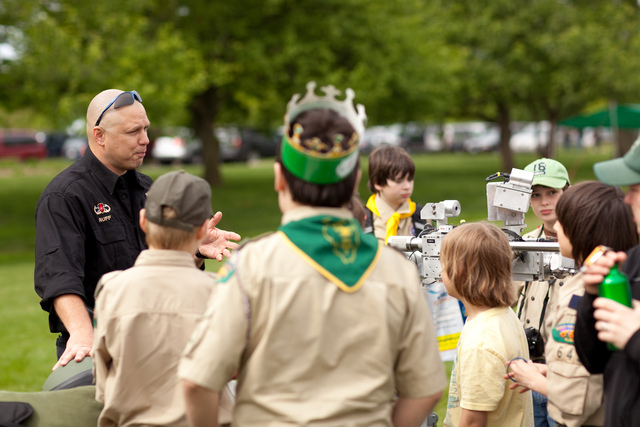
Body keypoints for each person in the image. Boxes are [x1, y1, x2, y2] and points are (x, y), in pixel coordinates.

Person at [178, 82, 447, 427]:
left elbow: (197, 381)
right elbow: (426, 388)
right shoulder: (398, 271)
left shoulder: (251, 266)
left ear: (278, 178)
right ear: (355, 181)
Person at [34, 89, 240, 370]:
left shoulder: (148, 189)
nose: (145, 140)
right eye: (133, 131)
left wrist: (194, 251)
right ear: (99, 136)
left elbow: (164, 274)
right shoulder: (64, 196)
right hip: (99, 347)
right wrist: (84, 335)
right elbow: (59, 276)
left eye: (146, 129)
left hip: (158, 342)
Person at [92, 170, 234, 427]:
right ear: (203, 229)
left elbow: (103, 385)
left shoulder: (111, 289)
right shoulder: (220, 292)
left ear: (143, 220)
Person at [508, 181, 638, 427]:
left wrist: (536, 381)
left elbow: (579, 401)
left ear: (582, 231)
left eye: (563, 222)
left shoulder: (584, 293)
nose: (555, 227)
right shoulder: (593, 281)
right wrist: (554, 371)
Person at [574, 138, 640, 427]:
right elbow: (594, 361)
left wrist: (636, 336)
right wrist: (592, 297)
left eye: (635, 190)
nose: (627, 200)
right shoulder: (633, 260)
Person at [440, 222, 533, 427]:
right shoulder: (502, 315)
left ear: (461, 271)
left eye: (443, 262)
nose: (440, 271)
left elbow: (473, 422)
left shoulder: (481, 342)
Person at [515, 158, 571, 427]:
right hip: (527, 369)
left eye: (552, 193)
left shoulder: (585, 244)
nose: (544, 202)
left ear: (567, 193)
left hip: (566, 370)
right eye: (535, 195)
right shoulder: (521, 242)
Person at [364, 145, 425, 242]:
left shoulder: (421, 216)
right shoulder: (362, 219)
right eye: (399, 181)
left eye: (410, 179)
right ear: (378, 183)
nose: (407, 187)